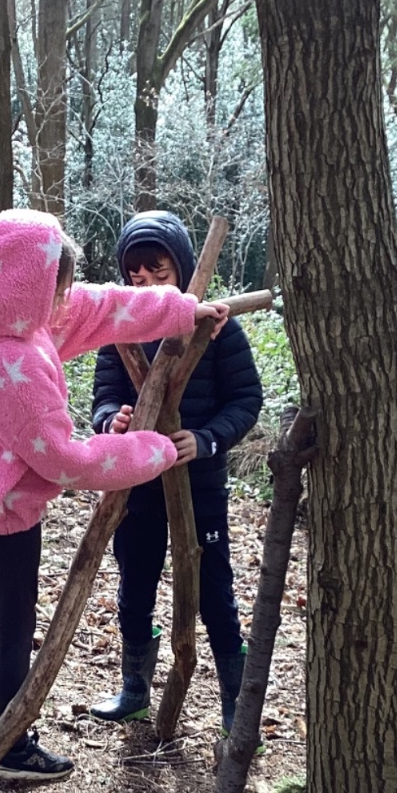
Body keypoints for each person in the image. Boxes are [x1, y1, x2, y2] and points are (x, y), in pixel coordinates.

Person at [0, 209, 228, 784]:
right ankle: (11, 747)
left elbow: (98, 307)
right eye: (56, 285)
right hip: (1, 508)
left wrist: (183, 309)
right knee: (11, 626)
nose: (62, 296)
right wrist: (153, 449)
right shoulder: (10, 362)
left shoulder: (2, 319)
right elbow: (66, 459)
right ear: (29, 285)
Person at [89, 212, 263, 732]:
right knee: (135, 582)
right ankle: (134, 689)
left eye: (159, 273)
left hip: (199, 485)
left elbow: (246, 399)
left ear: (183, 269)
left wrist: (206, 439)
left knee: (214, 591)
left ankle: (236, 704)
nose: (148, 285)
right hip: (138, 483)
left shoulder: (217, 328)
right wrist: (112, 421)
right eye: (136, 277)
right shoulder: (120, 330)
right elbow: (104, 397)